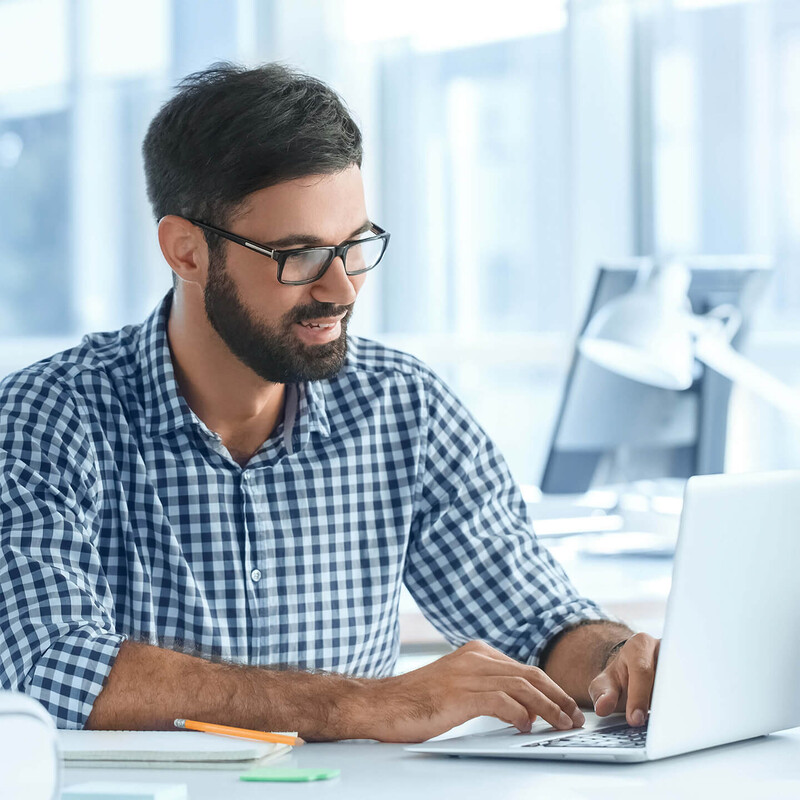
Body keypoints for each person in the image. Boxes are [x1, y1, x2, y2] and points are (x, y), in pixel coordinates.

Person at [0, 62, 658, 741]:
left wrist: (619, 660)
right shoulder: (46, 421)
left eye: (354, 247)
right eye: (301, 255)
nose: (342, 289)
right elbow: (47, 665)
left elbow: (536, 622)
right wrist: (362, 704)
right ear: (187, 252)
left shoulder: (403, 407)